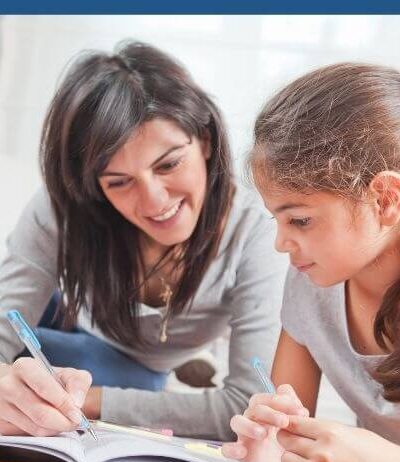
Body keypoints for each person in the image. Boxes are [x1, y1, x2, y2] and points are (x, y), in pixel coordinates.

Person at [0, 41, 287, 440]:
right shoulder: (66, 205)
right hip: (61, 305)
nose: (154, 201)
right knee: (32, 348)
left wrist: (76, 400)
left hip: (131, 362)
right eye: (119, 182)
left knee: (105, 370)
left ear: (204, 139)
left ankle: (176, 364)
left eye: (169, 164)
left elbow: (247, 406)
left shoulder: (258, 231)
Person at [223, 62, 400, 462]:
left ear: (385, 198)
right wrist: (268, 449)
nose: (283, 243)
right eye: (277, 220)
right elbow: (287, 435)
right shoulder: (311, 281)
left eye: (300, 220)